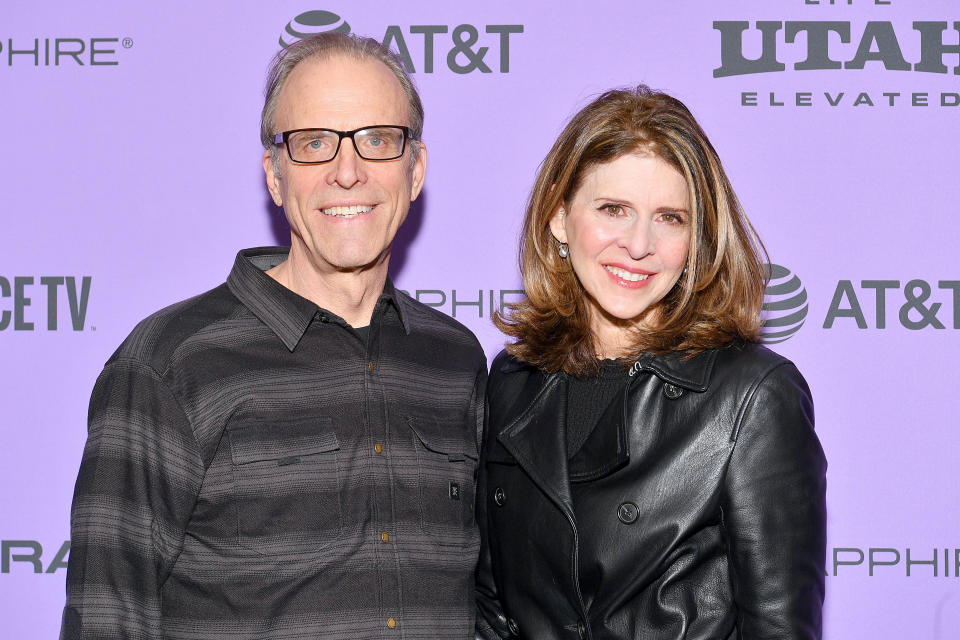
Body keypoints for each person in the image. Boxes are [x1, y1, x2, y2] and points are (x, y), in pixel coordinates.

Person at [61, 32, 487, 639]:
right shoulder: (169, 365)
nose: (347, 172)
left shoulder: (455, 360)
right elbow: (106, 618)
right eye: (313, 143)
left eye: (377, 141)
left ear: (415, 169)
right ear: (275, 175)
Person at [475, 86, 827, 640]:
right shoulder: (513, 381)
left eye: (670, 218)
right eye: (613, 210)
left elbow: (780, 629)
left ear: (698, 239)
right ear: (559, 219)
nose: (640, 244)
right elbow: (494, 609)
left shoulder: (752, 395)